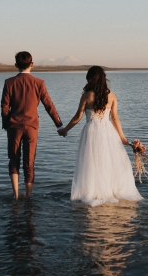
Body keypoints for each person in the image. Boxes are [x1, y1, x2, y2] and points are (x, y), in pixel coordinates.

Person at [58, 66, 143, 207]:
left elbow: (78, 117)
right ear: (104, 79)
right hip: (108, 132)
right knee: (108, 162)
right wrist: (122, 138)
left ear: (90, 79)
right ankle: (110, 190)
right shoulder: (111, 96)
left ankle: (95, 191)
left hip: (91, 131)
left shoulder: (86, 96)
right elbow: (115, 118)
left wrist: (65, 130)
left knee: (92, 163)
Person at [1, 51, 63, 199]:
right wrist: (59, 125)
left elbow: (4, 107)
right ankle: (28, 197)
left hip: (14, 127)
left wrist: (6, 124)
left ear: (16, 65)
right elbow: (49, 105)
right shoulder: (39, 83)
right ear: (32, 64)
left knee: (14, 161)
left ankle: (16, 195)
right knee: (29, 164)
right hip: (32, 127)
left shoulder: (9, 82)